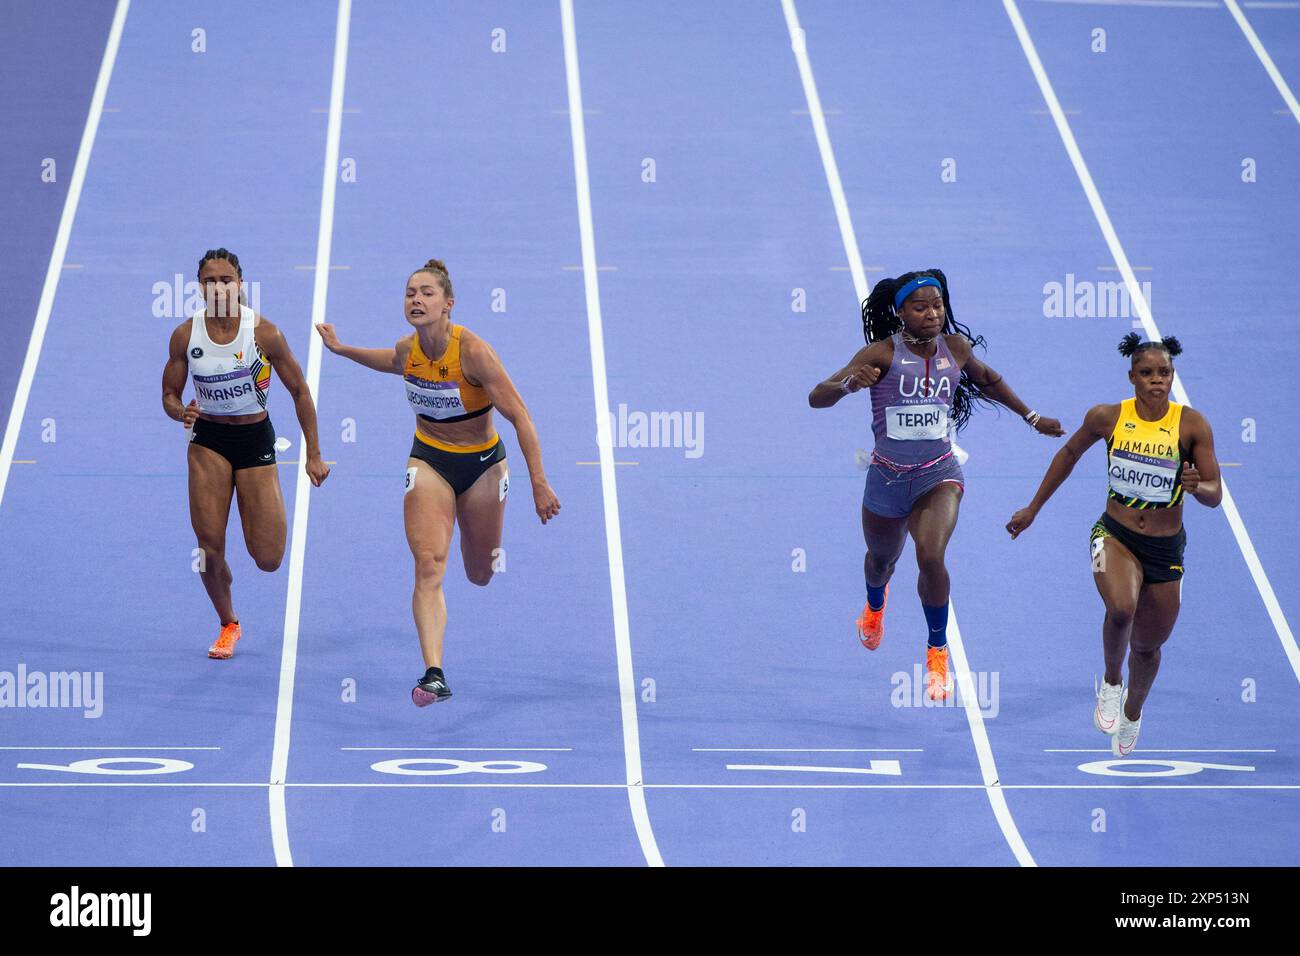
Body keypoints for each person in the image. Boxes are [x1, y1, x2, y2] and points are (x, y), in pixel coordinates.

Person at [809, 269, 1063, 699]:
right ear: (900, 312)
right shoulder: (879, 353)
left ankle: (936, 650)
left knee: (931, 555)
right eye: (921, 307)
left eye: (938, 305)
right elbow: (817, 396)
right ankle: (874, 605)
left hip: (938, 475)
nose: (932, 314)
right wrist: (850, 383)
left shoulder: (957, 348)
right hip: (886, 478)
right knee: (881, 561)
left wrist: (1032, 417)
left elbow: (989, 379)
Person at [315, 259, 560, 705]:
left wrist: (539, 483)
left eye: (427, 293)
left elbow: (520, 416)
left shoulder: (473, 353)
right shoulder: (408, 350)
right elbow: (388, 362)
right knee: (428, 565)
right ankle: (433, 672)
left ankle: (478, 557)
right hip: (429, 460)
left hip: (484, 465)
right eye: (410, 292)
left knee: (480, 572)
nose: (416, 299)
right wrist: (341, 349)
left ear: (448, 304)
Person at [1007, 333, 1220, 755]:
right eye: (1147, 373)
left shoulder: (1191, 424)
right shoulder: (1108, 417)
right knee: (1121, 609)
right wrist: (1033, 508)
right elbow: (1068, 454)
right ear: (1132, 378)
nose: (1157, 380)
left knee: (1147, 646)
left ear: (1172, 377)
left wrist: (1198, 487)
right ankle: (1110, 682)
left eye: (1164, 373)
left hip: (1164, 548)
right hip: (1115, 535)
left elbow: (1215, 495)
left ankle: (1133, 711)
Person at [161, 248, 329, 659]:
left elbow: (300, 391)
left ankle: (252, 530)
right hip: (208, 444)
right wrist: (180, 411)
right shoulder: (186, 335)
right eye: (210, 281)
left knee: (269, 558)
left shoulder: (263, 333)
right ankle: (227, 623)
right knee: (208, 546)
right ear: (199, 287)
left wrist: (313, 454)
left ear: (240, 284)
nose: (218, 287)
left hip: (255, 442)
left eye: (226, 280)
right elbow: (168, 394)